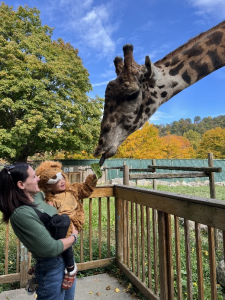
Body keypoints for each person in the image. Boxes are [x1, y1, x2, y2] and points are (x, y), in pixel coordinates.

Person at [0, 163, 78, 300]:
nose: (38, 179)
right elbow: (50, 248)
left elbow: (47, 182)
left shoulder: (37, 197)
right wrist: (74, 236)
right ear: (21, 184)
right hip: (52, 266)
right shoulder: (21, 214)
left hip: (65, 261)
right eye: (34, 176)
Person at [35, 160, 97, 289]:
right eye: (55, 180)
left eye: (62, 177)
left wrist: (94, 177)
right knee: (52, 232)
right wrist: (49, 207)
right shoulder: (49, 199)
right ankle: (39, 265)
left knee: (64, 235)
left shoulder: (72, 189)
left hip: (74, 221)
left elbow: (85, 189)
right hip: (61, 224)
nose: (61, 181)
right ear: (47, 186)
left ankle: (71, 267)